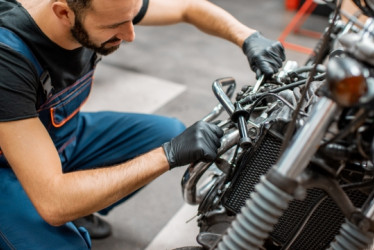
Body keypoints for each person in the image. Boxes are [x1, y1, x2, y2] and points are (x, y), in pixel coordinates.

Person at [0, 0, 285, 248]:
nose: (130, 34)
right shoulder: (8, 58)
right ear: (63, 13)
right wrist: (168, 155)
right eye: (115, 25)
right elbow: (53, 201)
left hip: (58, 138)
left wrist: (248, 37)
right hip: (8, 167)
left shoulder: (105, 7)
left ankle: (81, 203)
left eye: (132, 16)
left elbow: (188, 7)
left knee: (166, 132)